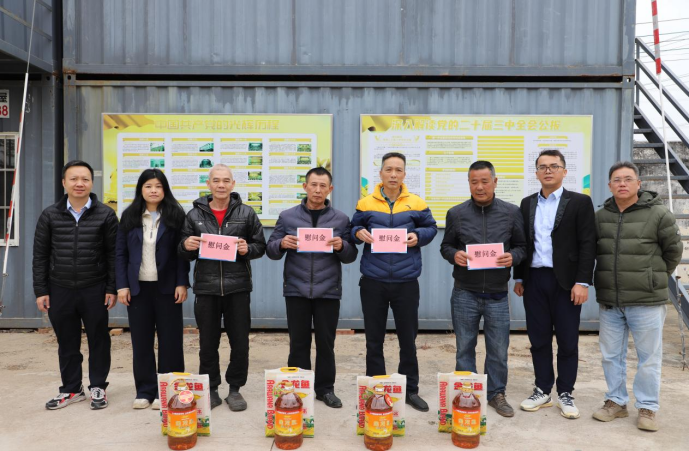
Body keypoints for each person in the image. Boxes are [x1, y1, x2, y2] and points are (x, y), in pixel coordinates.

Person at [592, 161, 681, 432]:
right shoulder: (600, 216)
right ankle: (616, 402)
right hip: (611, 300)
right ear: (609, 185)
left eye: (628, 179)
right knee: (610, 355)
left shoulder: (658, 214)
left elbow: (673, 252)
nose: (622, 184)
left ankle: (647, 407)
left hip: (647, 300)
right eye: (617, 180)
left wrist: (653, 277)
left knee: (649, 357)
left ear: (638, 184)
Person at [351, 152, 437, 412]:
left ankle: (410, 390)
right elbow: (352, 229)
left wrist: (418, 235)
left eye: (398, 170)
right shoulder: (366, 203)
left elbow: (431, 228)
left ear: (404, 174)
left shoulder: (416, 203)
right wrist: (358, 232)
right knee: (373, 339)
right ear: (380, 173)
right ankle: (376, 388)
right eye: (388, 169)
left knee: (407, 339)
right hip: (373, 281)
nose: (393, 174)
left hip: (406, 281)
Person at [513, 149, 596, 419]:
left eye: (554, 166)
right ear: (536, 172)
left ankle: (565, 393)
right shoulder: (527, 203)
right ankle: (543, 390)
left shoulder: (579, 202)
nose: (548, 171)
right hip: (535, 280)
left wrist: (582, 282)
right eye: (542, 167)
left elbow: (588, 244)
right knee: (538, 339)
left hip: (567, 283)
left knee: (567, 340)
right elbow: (522, 242)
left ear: (564, 171)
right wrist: (519, 277)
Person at [440, 160, 526, 418]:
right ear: (469, 183)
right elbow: (446, 246)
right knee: (464, 347)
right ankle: (466, 394)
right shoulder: (456, 214)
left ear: (495, 182)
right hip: (465, 292)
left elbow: (522, 247)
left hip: (498, 295)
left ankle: (496, 394)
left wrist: (513, 257)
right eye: (474, 182)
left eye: (484, 181)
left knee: (498, 350)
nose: (479, 187)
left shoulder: (511, 213)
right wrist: (454, 254)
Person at [266, 167, 358, 408]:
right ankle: (298, 388)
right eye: (313, 185)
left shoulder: (340, 219)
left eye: (322, 186)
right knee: (298, 342)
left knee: (326, 344)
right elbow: (270, 250)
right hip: (296, 289)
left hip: (328, 290)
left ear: (330, 189)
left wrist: (342, 246)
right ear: (305, 186)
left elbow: (351, 255)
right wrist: (281, 243)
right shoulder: (287, 217)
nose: (317, 190)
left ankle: (325, 389)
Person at [179, 164, 266, 411]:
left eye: (226, 180)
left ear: (233, 184)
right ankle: (212, 388)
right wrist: (186, 245)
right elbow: (182, 250)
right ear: (208, 184)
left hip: (238, 288)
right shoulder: (194, 215)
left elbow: (261, 245)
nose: (221, 185)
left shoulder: (247, 213)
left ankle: (235, 389)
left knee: (240, 342)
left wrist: (248, 249)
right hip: (206, 289)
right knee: (208, 343)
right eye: (216, 180)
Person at [33, 160, 119, 410]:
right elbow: (40, 255)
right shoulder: (50, 214)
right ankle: (71, 389)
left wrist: (111, 287)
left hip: (95, 288)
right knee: (67, 341)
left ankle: (98, 386)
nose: (79, 183)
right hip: (60, 288)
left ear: (92, 182)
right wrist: (41, 290)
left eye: (85, 179)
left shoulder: (106, 215)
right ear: (64, 183)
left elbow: (113, 254)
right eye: (73, 179)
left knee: (99, 339)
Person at [115, 169, 190, 410]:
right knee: (141, 341)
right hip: (138, 289)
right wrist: (122, 285)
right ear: (141, 189)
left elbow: (182, 253)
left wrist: (182, 282)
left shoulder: (176, 215)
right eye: (148, 186)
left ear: (165, 189)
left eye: (158, 186)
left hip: (168, 288)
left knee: (171, 341)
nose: (154, 190)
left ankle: (168, 390)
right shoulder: (129, 216)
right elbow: (120, 254)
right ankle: (145, 390)